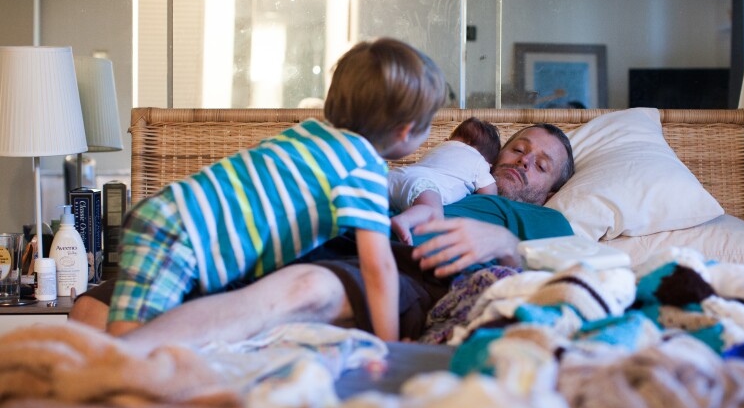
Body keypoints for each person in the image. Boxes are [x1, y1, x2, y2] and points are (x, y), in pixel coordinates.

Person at [71, 120, 575, 353]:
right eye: (518, 149)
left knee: (308, 289)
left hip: (413, 269)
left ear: (554, 187)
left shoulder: (548, 220)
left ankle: (122, 362)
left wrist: (501, 244)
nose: (523, 162)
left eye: (541, 164)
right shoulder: (446, 177)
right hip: (337, 235)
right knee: (94, 308)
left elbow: (562, 267)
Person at [101, 37, 447, 343]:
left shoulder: (310, 132)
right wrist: (389, 347)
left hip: (168, 214)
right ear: (405, 132)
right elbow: (379, 268)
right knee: (133, 348)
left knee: (139, 340)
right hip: (184, 235)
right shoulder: (364, 168)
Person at [389, 117, 500, 245]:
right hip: (423, 185)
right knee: (433, 211)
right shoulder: (480, 162)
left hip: (397, 174)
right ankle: (404, 220)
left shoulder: (441, 146)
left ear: (447, 140)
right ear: (489, 163)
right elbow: (490, 195)